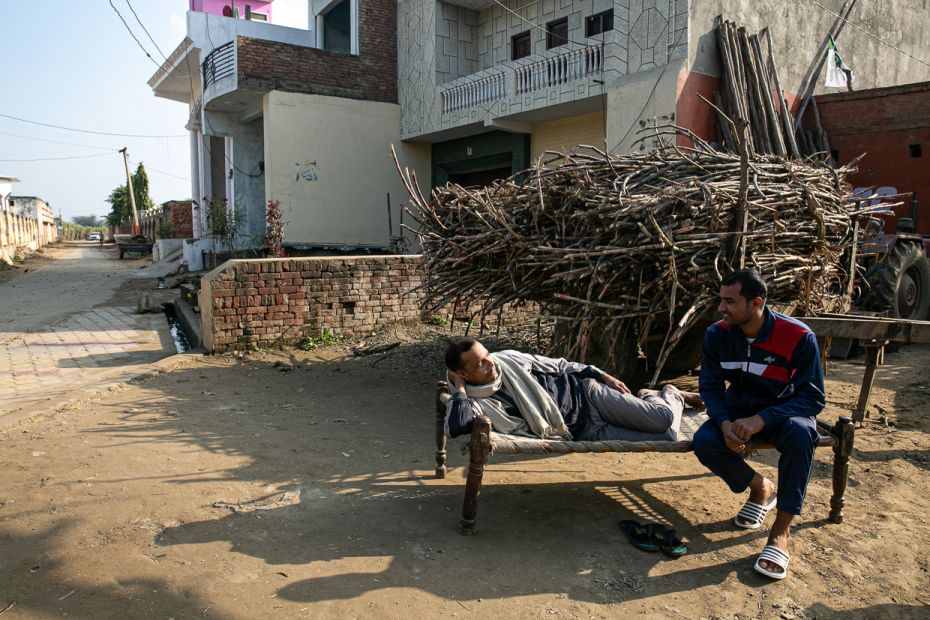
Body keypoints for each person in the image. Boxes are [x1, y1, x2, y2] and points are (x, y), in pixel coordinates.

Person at [694, 269, 825, 580]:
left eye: (730, 302)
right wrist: (725, 422)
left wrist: (762, 419)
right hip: (738, 413)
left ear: (756, 303)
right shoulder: (717, 335)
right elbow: (710, 389)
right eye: (720, 300)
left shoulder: (799, 337)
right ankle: (761, 488)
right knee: (704, 441)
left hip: (783, 415)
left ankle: (780, 531)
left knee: (802, 433)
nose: (720, 309)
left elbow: (813, 398)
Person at [444, 337, 703, 443]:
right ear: (464, 374)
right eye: (480, 363)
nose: (491, 363)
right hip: (583, 431)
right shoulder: (475, 401)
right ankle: (654, 397)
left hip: (589, 397)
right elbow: (458, 426)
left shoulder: (509, 360)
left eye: (487, 355)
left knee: (663, 418)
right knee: (667, 437)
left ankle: (668, 392)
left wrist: (602, 375)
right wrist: (459, 388)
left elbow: (561, 365)